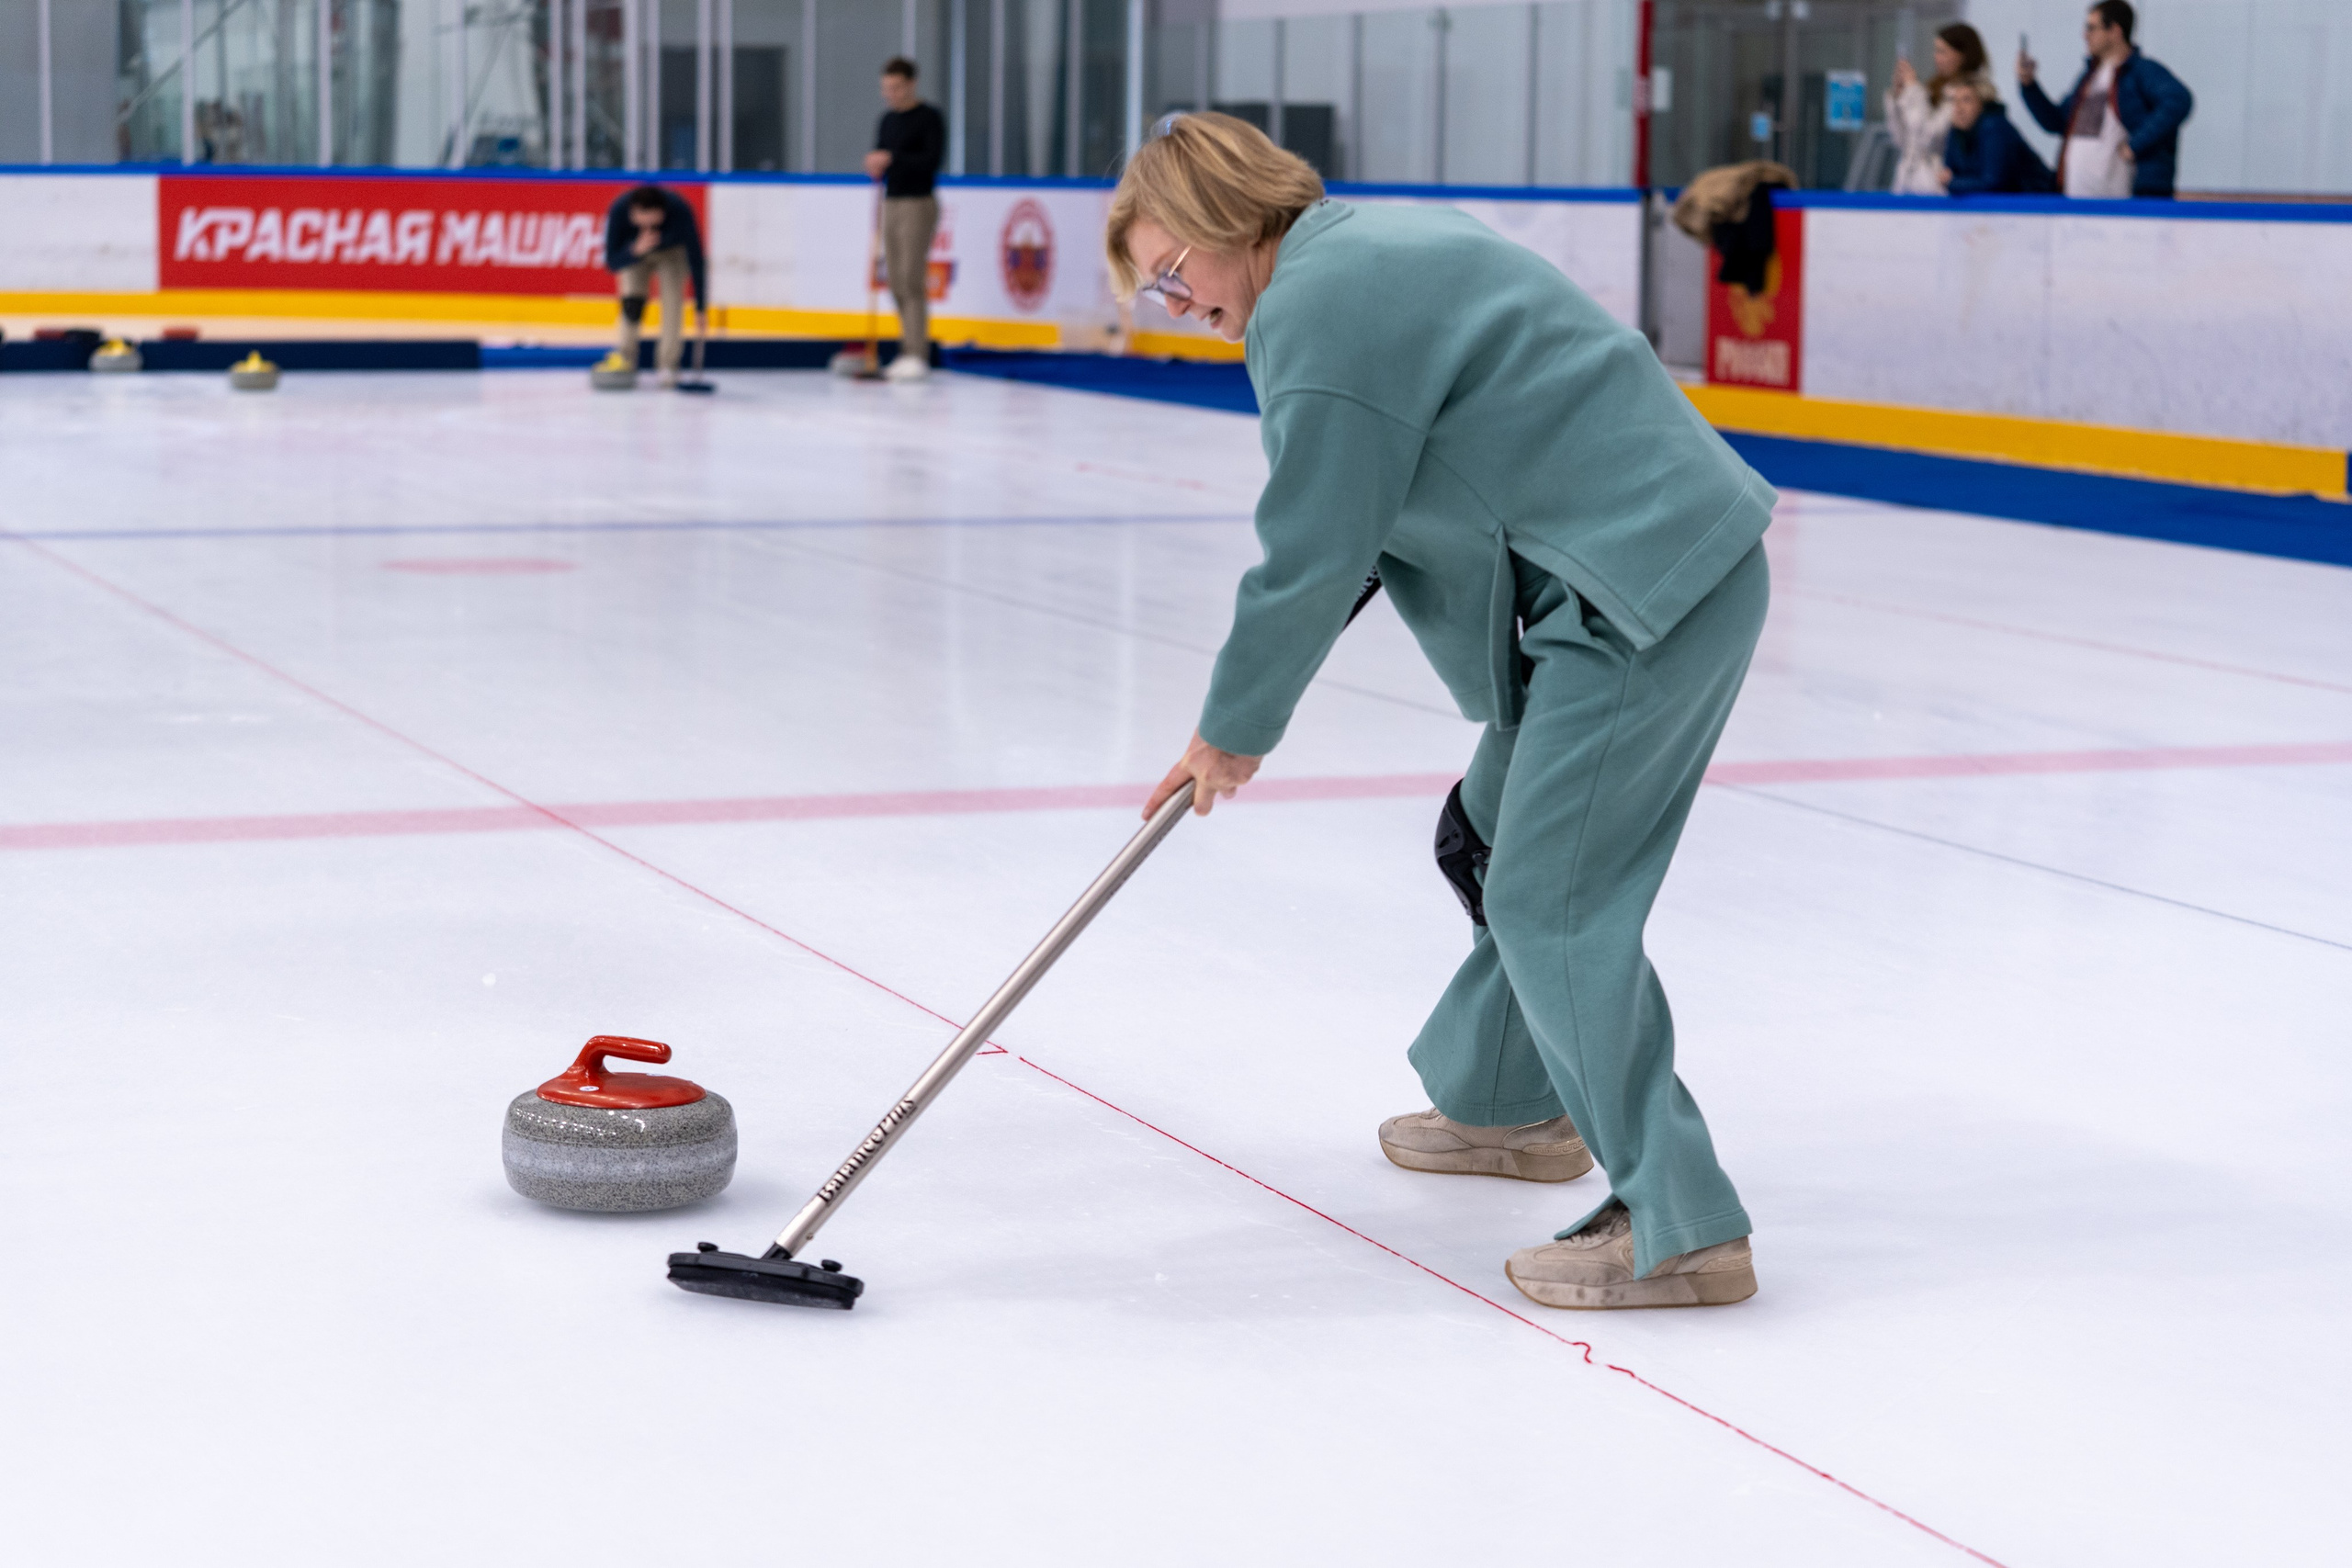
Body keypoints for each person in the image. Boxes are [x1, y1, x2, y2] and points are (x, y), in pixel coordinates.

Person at [1110, 114, 1776, 1312]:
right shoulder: (1350, 255)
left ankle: (1679, 1222)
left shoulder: (1316, 311)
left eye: (1170, 271)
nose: (1168, 300)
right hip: (1626, 572)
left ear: (1226, 219)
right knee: (1487, 829)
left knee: (1550, 896)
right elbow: (1415, 490)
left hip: (1641, 589)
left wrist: (1231, 730)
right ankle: (1512, 1104)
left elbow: (1310, 549)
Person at [2019, 1, 2193, 198]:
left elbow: (2178, 100)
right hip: (2076, 197)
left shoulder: (2141, 72)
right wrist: (2029, 85)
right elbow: (2057, 122)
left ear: (2115, 31)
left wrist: (2135, 145)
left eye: (2092, 28)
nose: (2085, 35)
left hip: (2125, 201)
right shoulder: (2089, 78)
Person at [864, 56, 947, 383]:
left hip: (918, 203)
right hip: (892, 202)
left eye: (897, 87)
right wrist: (876, 162)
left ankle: (917, 353)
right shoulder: (887, 120)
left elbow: (931, 159)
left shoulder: (929, 118)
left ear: (911, 84)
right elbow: (882, 155)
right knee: (896, 279)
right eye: (886, 88)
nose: (891, 94)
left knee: (912, 279)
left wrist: (893, 158)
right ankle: (905, 349)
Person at [602, 184, 707, 388]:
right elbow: (612, 262)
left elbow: (696, 257)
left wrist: (701, 306)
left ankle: (668, 365)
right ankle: (625, 359)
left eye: (654, 222)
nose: (649, 228)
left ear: (663, 212)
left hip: (672, 252)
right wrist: (634, 250)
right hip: (634, 253)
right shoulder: (619, 210)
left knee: (673, 304)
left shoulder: (679, 209)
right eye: (643, 222)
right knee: (631, 303)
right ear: (633, 213)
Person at [1885, 23, 1995, 196]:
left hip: (1939, 187)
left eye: (1942, 51)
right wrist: (1899, 99)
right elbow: (1902, 141)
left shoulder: (1970, 96)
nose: (1936, 57)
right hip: (1908, 185)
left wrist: (1913, 91)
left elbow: (1929, 137)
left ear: (1962, 55)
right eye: (1936, 50)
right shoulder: (1933, 89)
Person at [1939, 79, 2056, 195]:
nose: (1959, 108)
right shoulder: (1957, 129)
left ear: (1983, 104)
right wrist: (1952, 181)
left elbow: (1992, 183)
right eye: (1954, 101)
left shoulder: (1994, 126)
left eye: (1966, 100)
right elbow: (1948, 173)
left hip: (2039, 201)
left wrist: (1953, 183)